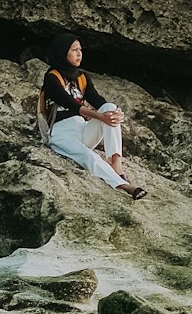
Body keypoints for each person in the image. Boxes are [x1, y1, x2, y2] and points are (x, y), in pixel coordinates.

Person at [40, 31, 147, 200]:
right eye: (74, 50)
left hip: (81, 129)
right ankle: (125, 186)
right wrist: (98, 116)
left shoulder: (82, 77)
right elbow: (70, 103)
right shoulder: (52, 77)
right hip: (60, 133)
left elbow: (98, 101)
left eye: (80, 50)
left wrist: (116, 114)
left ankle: (117, 166)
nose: (79, 54)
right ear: (62, 52)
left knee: (110, 108)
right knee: (89, 156)